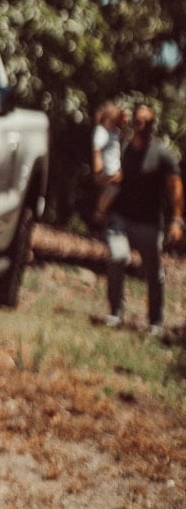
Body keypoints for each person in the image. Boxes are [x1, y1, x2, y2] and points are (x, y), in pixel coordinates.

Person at [103, 102, 184, 334]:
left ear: (152, 125)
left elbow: (175, 188)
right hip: (121, 220)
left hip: (149, 224)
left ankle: (155, 321)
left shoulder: (162, 156)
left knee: (154, 274)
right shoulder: (121, 150)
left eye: (146, 122)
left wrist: (177, 221)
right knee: (117, 258)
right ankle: (116, 312)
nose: (141, 126)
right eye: (138, 121)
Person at [91, 101, 126, 227]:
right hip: (108, 167)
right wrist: (98, 166)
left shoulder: (115, 132)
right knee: (111, 190)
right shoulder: (101, 131)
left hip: (115, 166)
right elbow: (97, 150)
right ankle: (99, 212)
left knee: (113, 190)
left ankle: (101, 212)